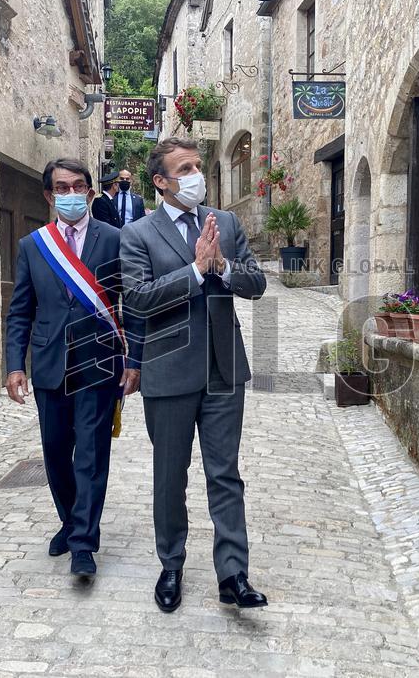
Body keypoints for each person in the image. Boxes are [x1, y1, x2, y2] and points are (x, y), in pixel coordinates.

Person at [119, 136, 268, 613]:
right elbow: (138, 299)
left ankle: (233, 574)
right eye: (184, 168)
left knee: (225, 474)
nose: (195, 175)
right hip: (168, 373)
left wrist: (222, 266)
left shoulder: (225, 222)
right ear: (160, 182)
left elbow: (257, 284)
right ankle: (172, 564)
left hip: (224, 369)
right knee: (169, 476)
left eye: (198, 166)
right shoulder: (137, 234)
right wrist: (197, 273)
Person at [5, 158, 142, 581]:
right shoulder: (33, 245)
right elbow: (20, 311)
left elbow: (131, 305)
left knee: (92, 454)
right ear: (49, 195)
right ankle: (68, 520)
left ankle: (84, 542)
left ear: (89, 192)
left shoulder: (115, 239)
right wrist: (14, 365)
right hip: (49, 364)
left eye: (78, 186)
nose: (70, 194)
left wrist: (134, 359)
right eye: (61, 188)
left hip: (100, 363)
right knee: (55, 453)